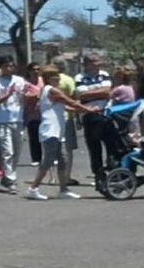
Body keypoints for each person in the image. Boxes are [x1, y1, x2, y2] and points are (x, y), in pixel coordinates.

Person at [27, 66, 101, 200]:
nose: (59, 78)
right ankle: (33, 188)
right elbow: (71, 102)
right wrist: (88, 109)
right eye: (56, 76)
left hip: (56, 130)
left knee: (62, 160)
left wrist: (84, 110)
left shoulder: (47, 90)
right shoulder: (52, 90)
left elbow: (66, 107)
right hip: (50, 130)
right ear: (49, 78)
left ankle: (63, 190)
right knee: (49, 159)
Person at [75, 53, 118, 184]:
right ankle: (98, 175)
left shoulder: (104, 74)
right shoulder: (80, 77)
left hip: (105, 114)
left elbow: (107, 92)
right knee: (94, 148)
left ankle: (113, 172)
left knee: (112, 145)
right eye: (95, 61)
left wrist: (93, 94)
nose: (98, 64)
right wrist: (99, 93)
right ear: (87, 64)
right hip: (89, 115)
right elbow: (81, 95)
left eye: (99, 61)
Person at [0, 56, 26, 194]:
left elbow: (25, 95)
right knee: (7, 151)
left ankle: (8, 175)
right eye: (6, 66)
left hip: (18, 119)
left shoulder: (19, 80)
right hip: (2, 120)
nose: (9, 68)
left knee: (17, 150)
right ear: (2, 67)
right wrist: (7, 94)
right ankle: (11, 180)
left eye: (11, 66)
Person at [51, 56, 80, 186]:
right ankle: (66, 176)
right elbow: (75, 98)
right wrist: (78, 117)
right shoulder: (68, 80)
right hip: (67, 116)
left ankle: (52, 177)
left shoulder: (48, 80)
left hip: (51, 116)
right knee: (68, 148)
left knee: (51, 147)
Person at [23, 62, 43, 166]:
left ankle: (47, 157)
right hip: (32, 114)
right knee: (34, 137)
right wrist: (35, 96)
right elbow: (23, 97)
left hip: (43, 113)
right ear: (29, 71)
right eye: (33, 69)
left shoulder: (43, 82)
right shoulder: (26, 84)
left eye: (38, 69)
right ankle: (36, 158)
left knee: (45, 137)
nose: (36, 71)